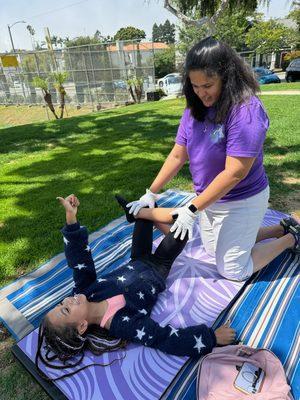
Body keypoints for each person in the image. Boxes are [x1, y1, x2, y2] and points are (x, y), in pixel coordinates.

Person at [127, 37, 300, 282]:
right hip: (210, 200)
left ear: (226, 77)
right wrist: (151, 193)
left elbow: (235, 173)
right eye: (195, 86)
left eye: (207, 85)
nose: (201, 93)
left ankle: (290, 239)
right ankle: (280, 228)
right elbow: (178, 154)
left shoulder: (246, 110)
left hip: (243, 199)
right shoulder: (194, 108)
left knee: (232, 269)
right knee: (211, 250)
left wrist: (192, 207)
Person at [35, 194, 236, 380]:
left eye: (62, 302)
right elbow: (164, 338)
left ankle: (141, 212)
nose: (68, 299)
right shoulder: (122, 324)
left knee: (143, 208)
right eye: (66, 308)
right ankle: (148, 212)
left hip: (137, 257)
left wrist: (71, 219)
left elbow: (80, 258)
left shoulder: (84, 291)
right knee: (182, 229)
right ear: (82, 326)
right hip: (159, 266)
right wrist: (211, 337)